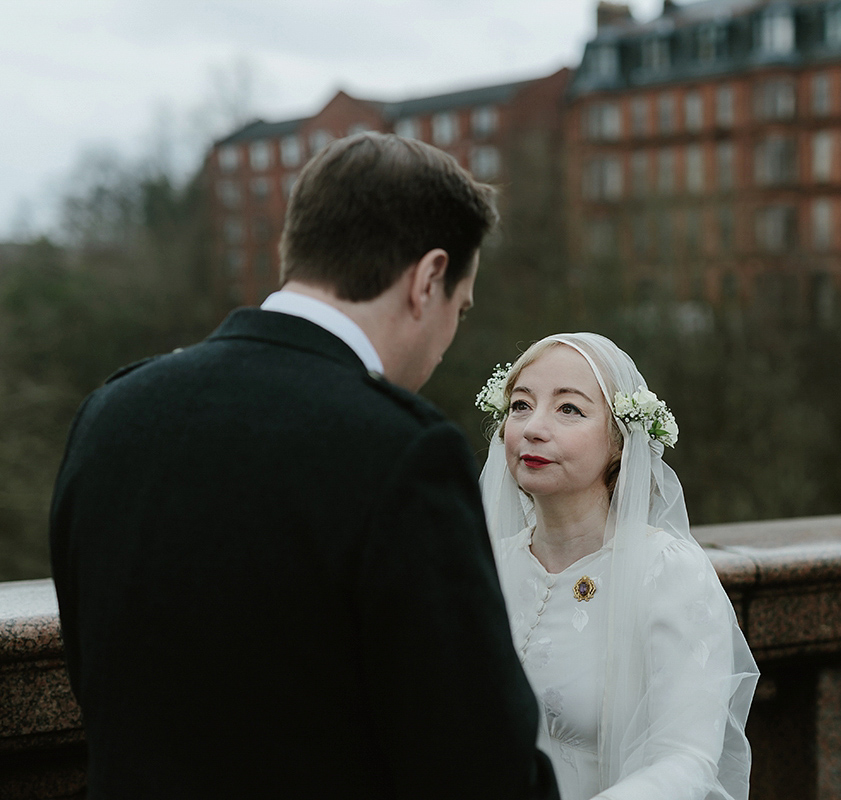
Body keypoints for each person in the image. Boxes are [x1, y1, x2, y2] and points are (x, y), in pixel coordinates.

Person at [49, 133, 558, 799]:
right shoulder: (401, 451)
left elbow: (96, 680)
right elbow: (478, 765)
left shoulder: (110, 413)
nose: (447, 339)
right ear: (429, 277)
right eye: (459, 309)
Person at [475, 332, 758, 800]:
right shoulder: (486, 566)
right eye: (521, 405)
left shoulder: (668, 572)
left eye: (569, 409)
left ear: (620, 442)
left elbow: (686, 758)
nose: (533, 427)